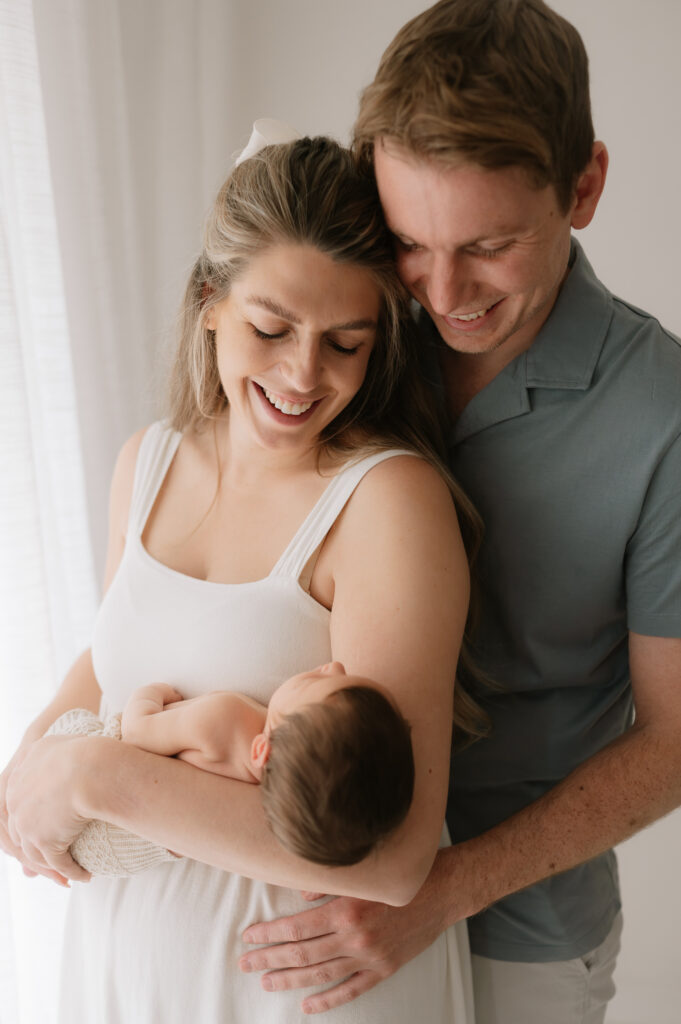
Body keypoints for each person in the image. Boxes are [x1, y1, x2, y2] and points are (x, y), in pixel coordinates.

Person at [228, 3, 681, 1022]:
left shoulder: (665, 420)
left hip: (518, 932)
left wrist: (439, 890)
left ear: (585, 186)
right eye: (409, 243)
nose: (442, 292)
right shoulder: (346, 330)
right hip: (292, 882)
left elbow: (675, 737)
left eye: (488, 245)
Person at [2, 134, 478, 1022]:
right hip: (129, 966)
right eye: (272, 329)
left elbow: (397, 856)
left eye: (346, 343)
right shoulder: (146, 462)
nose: (304, 376)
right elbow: (114, 666)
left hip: (301, 988)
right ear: (210, 303)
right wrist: (28, 776)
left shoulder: (385, 502)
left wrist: (97, 780)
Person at [49, 662, 416, 873]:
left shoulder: (224, 719)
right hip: (127, 848)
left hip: (103, 825)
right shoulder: (292, 787)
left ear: (262, 749)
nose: (332, 665)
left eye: (319, 682)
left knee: (70, 732)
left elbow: (136, 731)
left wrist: (148, 695)